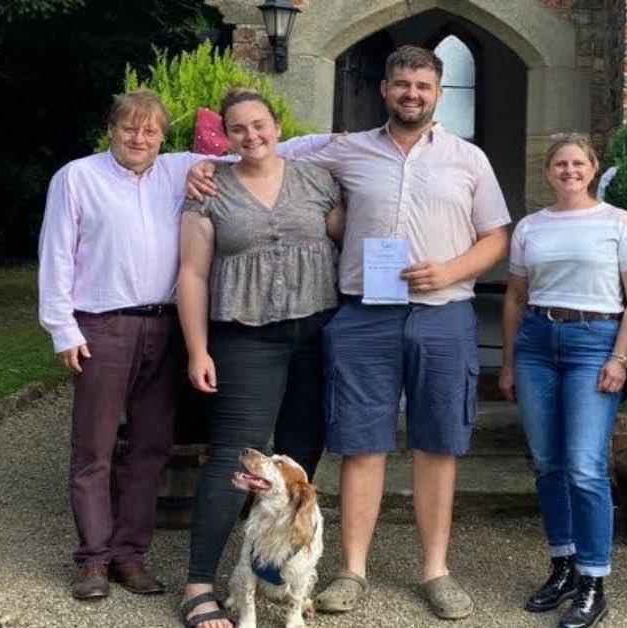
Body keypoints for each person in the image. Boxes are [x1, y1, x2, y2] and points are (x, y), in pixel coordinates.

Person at [186, 44, 510, 620]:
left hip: (443, 312)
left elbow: (496, 238)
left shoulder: (469, 159)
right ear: (385, 89)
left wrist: (451, 270)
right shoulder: (343, 150)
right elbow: (263, 149)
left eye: (424, 85)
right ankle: (352, 571)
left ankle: (436, 571)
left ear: (437, 92)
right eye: (402, 83)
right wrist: (200, 165)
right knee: (362, 444)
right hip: (365, 315)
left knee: (438, 444)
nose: (412, 93)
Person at [175, 88, 344, 628]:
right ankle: (199, 584)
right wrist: (198, 348)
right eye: (239, 129)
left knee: (297, 460)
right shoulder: (209, 191)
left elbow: (354, 239)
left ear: (277, 125)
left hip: (315, 333)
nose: (252, 136)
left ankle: (280, 575)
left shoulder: (317, 180)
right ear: (225, 137)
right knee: (233, 458)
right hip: (246, 337)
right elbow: (193, 274)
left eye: (260, 125)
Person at [38, 90, 215, 600]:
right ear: (111, 129)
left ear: (164, 136)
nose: (140, 139)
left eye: (151, 130)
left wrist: (340, 143)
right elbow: (56, 254)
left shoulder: (179, 169)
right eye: (130, 128)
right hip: (102, 326)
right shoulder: (78, 178)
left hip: (165, 328)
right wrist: (62, 328)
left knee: (152, 446)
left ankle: (129, 555)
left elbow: (261, 149)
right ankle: (92, 560)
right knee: (93, 447)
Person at [499, 133, 627, 628]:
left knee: (584, 466)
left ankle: (593, 581)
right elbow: (516, 298)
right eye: (560, 164)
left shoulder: (617, 222)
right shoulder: (531, 228)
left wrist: (620, 358)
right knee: (547, 464)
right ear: (548, 172)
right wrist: (507, 361)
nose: (569, 171)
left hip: (595, 343)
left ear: (592, 168)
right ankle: (562, 565)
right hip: (538, 343)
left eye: (578, 163)